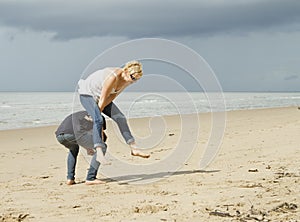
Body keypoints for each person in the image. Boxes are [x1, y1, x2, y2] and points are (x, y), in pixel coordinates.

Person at [78, 60, 150, 164]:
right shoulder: (113, 77)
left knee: (120, 118)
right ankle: (99, 153)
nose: (132, 81)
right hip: (88, 94)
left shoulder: (126, 80)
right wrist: (95, 114)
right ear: (126, 71)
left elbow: (112, 96)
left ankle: (134, 148)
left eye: (135, 80)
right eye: (132, 78)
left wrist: (97, 112)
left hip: (102, 97)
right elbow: (102, 98)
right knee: (98, 120)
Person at [55, 110, 107, 185]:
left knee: (73, 149)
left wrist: (88, 148)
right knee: (103, 146)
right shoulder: (99, 117)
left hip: (60, 136)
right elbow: (99, 134)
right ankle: (91, 178)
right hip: (74, 134)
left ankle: (70, 178)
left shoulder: (81, 114)